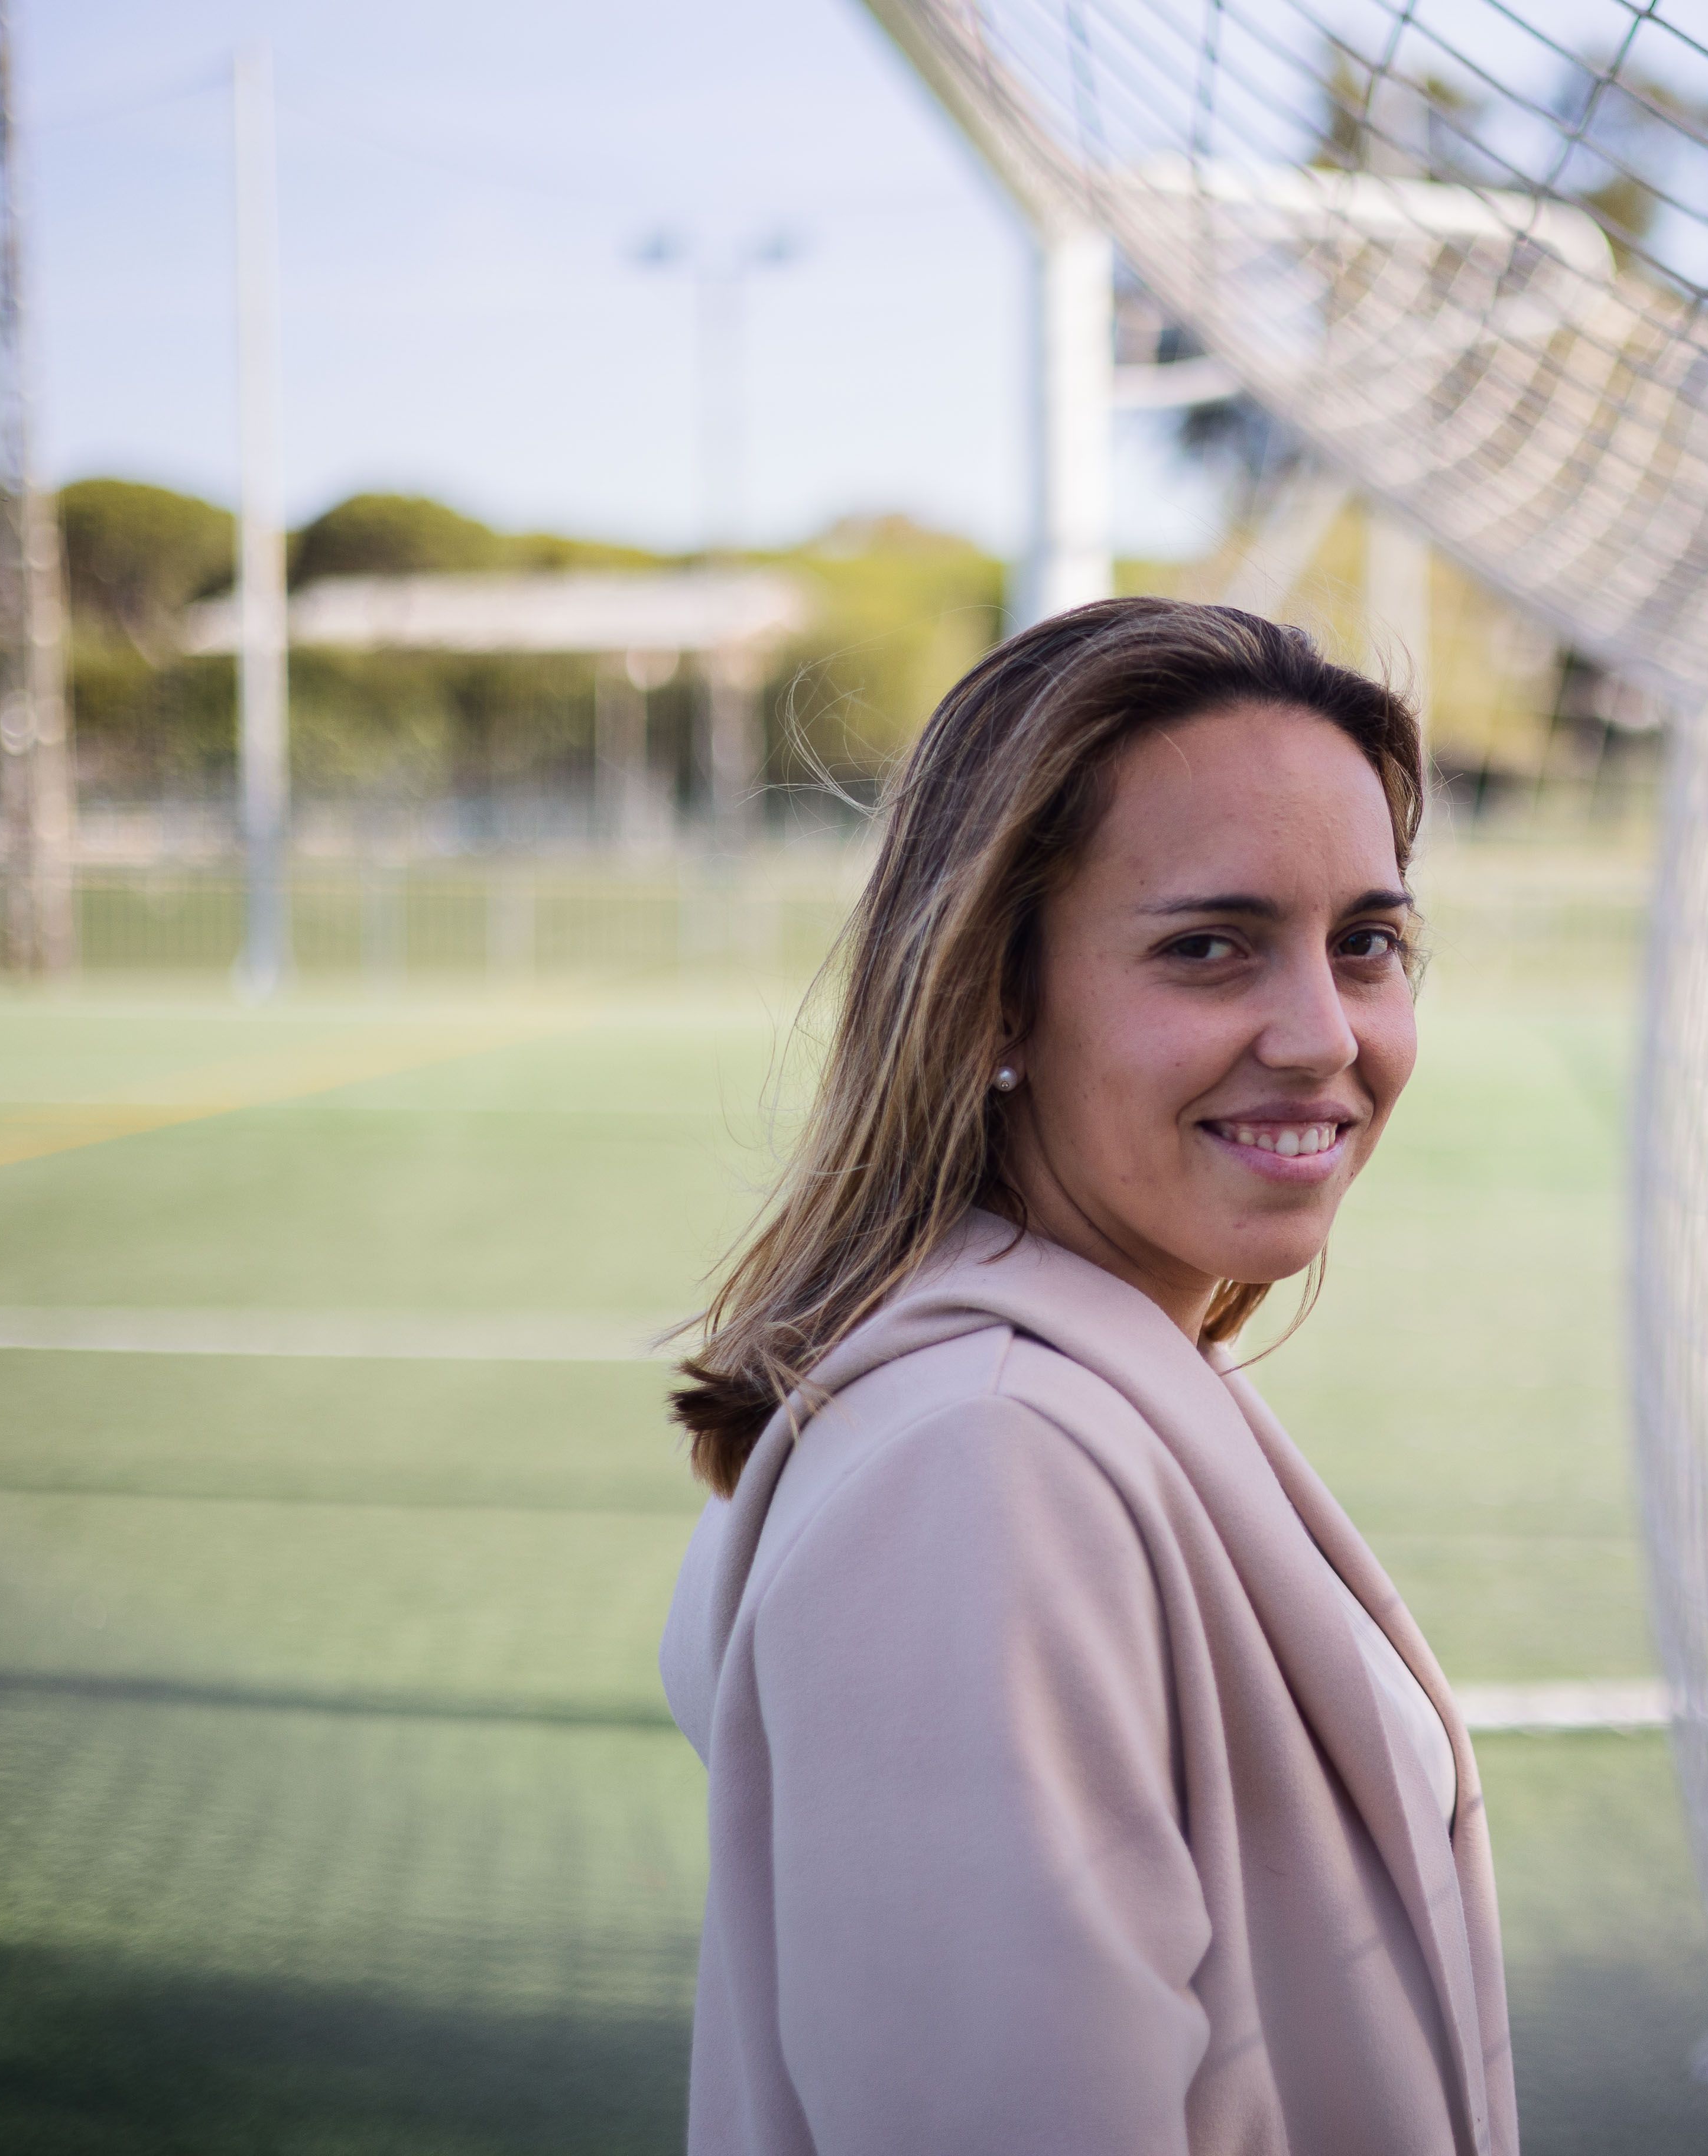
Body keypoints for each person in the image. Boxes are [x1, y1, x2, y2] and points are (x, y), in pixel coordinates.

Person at [658, 598, 1513, 2155]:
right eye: (1209, 947)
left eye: (1367, 944)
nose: (1326, 1035)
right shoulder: (982, 1469)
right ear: (994, 996)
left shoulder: (1089, 1384)